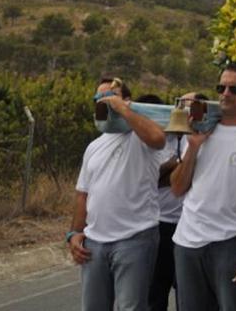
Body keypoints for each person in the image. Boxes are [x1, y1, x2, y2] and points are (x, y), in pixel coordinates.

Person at [170, 65, 236, 311]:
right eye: (221, 87)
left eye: (233, 88)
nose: (225, 93)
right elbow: (177, 188)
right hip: (188, 241)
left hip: (233, 244)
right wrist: (194, 147)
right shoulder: (201, 132)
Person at [69, 79, 166, 311]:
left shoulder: (141, 136)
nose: (104, 102)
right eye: (99, 99)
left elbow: (158, 139)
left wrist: (122, 108)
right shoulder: (94, 146)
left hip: (135, 239)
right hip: (95, 242)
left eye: (110, 96)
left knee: (130, 307)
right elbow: (83, 194)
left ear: (126, 100)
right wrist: (74, 233)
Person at [150, 92, 208, 311]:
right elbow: (148, 178)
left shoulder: (203, 139)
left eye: (189, 106)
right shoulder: (158, 138)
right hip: (160, 223)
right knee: (154, 292)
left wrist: (175, 169)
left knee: (188, 294)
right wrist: (178, 167)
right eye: (179, 105)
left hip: (189, 226)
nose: (183, 111)